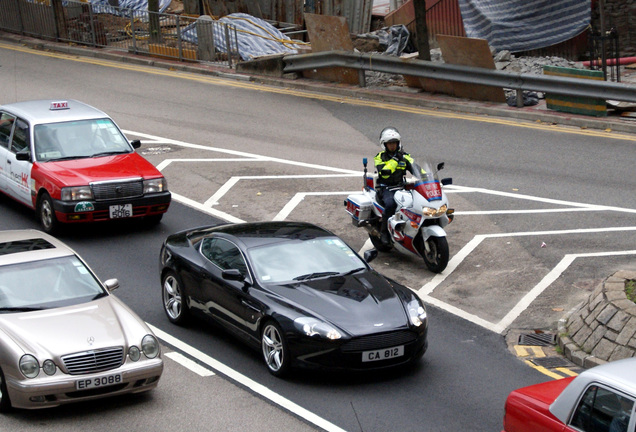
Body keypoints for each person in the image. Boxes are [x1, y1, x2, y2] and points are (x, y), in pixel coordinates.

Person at [374, 126, 416, 245]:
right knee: (391, 204)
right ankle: (384, 233)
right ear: (384, 144)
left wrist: (428, 176)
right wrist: (396, 159)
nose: (392, 145)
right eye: (389, 143)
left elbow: (416, 168)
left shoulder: (405, 156)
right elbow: (385, 173)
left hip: (401, 187)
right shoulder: (379, 157)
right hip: (386, 188)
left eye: (394, 143)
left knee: (414, 203)